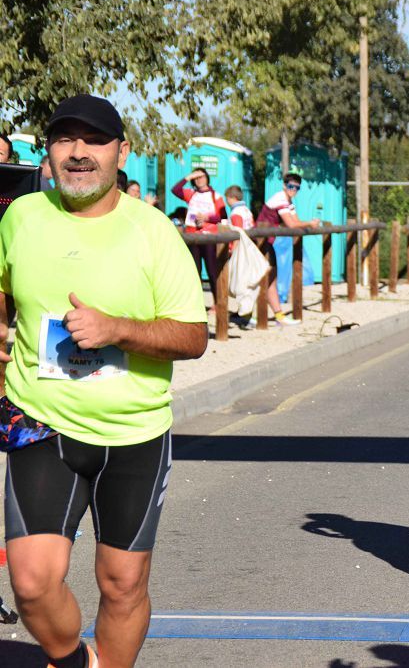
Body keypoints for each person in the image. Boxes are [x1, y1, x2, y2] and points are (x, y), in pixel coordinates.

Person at [1, 94, 208, 668]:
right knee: (33, 583)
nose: (78, 153)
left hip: (134, 432)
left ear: (121, 151)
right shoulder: (20, 218)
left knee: (121, 583)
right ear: (47, 153)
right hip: (42, 421)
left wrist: (114, 329)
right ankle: (71, 661)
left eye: (93, 140)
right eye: (65, 140)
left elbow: (193, 336)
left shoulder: (154, 231)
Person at [254, 173, 320, 326]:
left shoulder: (288, 200)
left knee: (271, 278)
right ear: (284, 186)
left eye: (297, 188)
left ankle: (278, 315)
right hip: (261, 241)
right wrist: (310, 223)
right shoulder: (280, 199)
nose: (293, 190)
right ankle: (253, 315)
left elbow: (295, 221)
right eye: (291, 186)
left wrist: (308, 224)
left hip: (266, 241)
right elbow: (291, 224)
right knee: (263, 278)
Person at [171, 167, 225, 314]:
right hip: (193, 235)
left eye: (202, 176)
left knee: (212, 271)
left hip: (208, 236)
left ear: (207, 178)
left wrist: (208, 218)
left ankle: (218, 304)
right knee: (194, 272)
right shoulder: (191, 194)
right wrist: (188, 177)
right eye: (197, 177)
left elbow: (223, 216)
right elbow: (175, 190)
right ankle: (196, 305)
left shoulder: (216, 196)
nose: (199, 179)